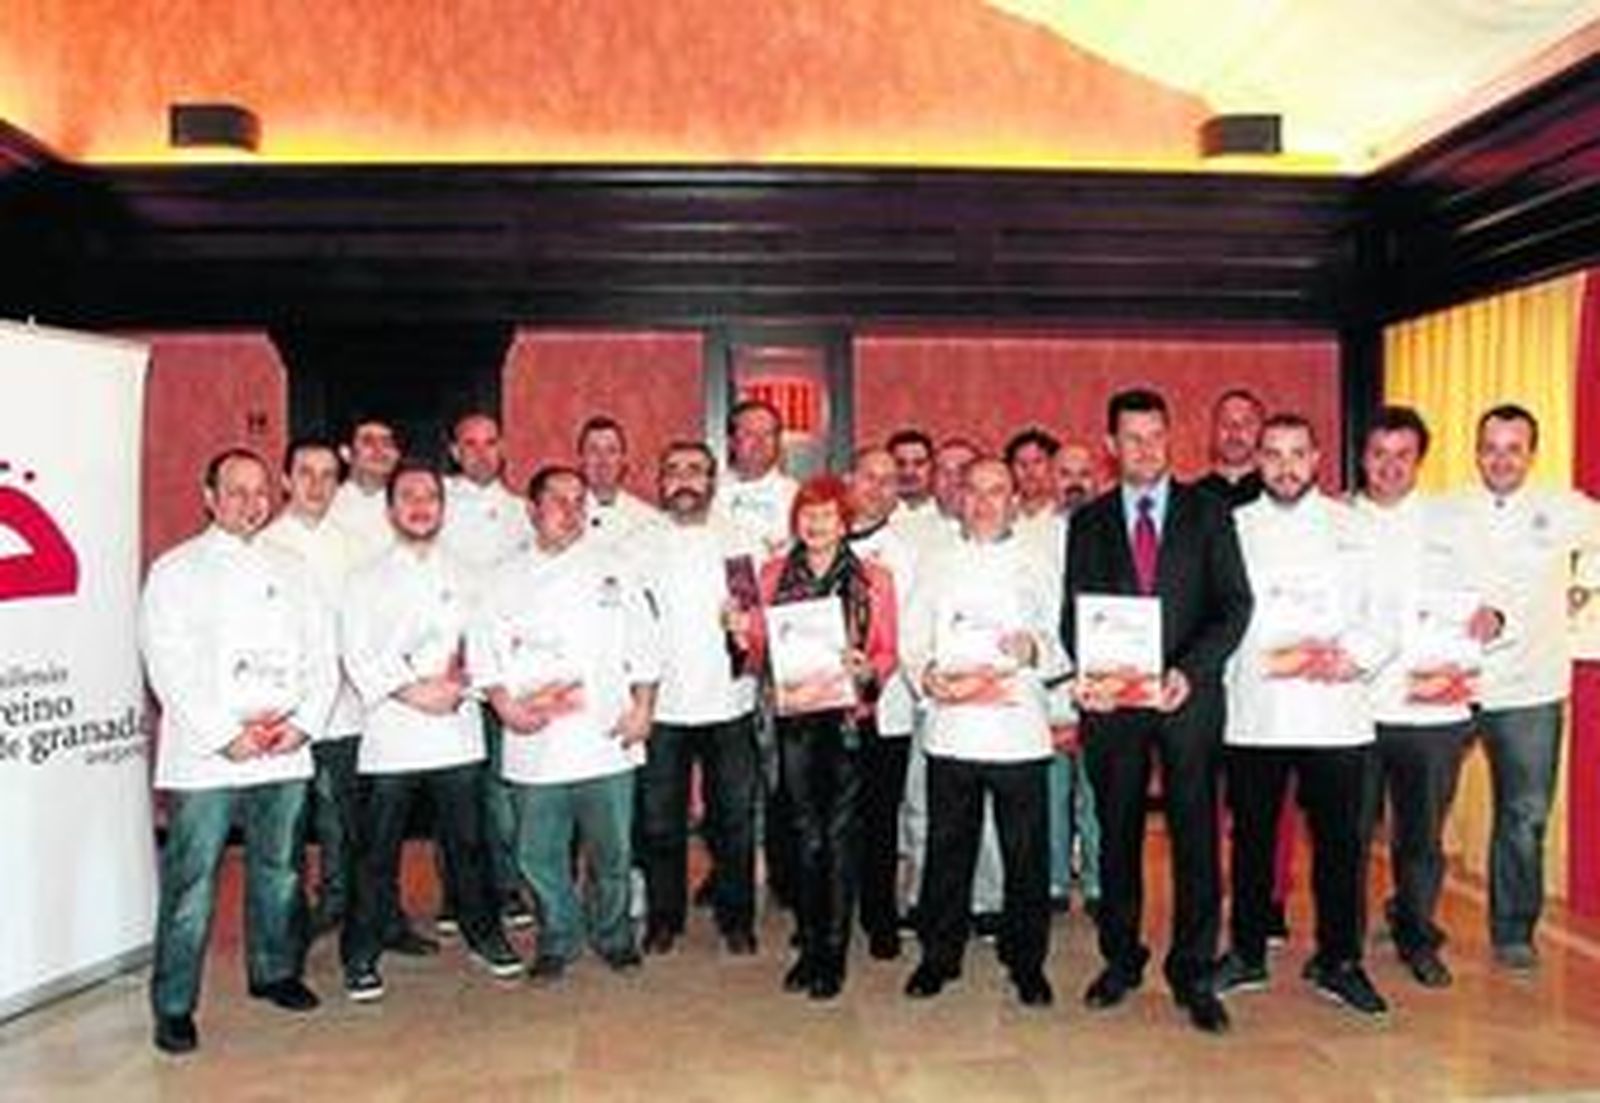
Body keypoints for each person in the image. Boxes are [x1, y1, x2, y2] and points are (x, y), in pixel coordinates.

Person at [1064, 387, 1252, 1035]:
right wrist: (1093, 675)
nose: (1146, 448)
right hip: (1115, 704)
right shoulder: (1087, 521)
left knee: (1196, 835)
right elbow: (1073, 613)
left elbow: (1234, 605)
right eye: (1132, 437)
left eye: (1156, 435)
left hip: (1187, 699)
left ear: (1170, 438)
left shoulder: (1208, 511)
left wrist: (1189, 671)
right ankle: (1121, 959)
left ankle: (1194, 969)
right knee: (1115, 833)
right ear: (1112, 446)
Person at [140, 448, 337, 1055]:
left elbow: (322, 658)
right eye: (236, 491)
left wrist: (301, 725)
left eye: (258, 493)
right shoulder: (176, 570)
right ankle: (174, 1005)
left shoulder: (296, 569)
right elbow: (165, 663)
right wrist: (229, 735)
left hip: (283, 748)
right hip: (208, 755)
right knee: (192, 880)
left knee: (278, 870)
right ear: (208, 495)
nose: (251, 503)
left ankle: (275, 970)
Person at [1211, 414, 1391, 1019]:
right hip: (1256, 713)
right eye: (1273, 454)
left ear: (1316, 458)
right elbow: (1218, 617)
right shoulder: (1230, 528)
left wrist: (1354, 658)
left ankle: (1340, 960)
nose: (1285, 466)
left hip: (1336, 712)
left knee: (1342, 845)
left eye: (1297, 454)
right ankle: (1246, 952)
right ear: (1257, 461)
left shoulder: (1354, 528)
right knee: (1253, 841)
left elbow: (1382, 614)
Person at [338, 459, 523, 1002]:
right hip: (390, 735)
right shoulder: (365, 578)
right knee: (376, 852)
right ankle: (361, 954)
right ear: (391, 509)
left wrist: (461, 688)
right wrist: (413, 691)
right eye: (409, 498)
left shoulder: (471, 575)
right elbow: (358, 651)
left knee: (469, 845)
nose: (421, 507)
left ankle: (483, 934)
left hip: (456, 731)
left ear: (443, 508)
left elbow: (488, 647)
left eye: (430, 498)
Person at [472, 465, 661, 983]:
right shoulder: (501, 578)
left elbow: (645, 644)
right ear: (532, 509)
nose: (571, 510)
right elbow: (481, 653)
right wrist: (503, 705)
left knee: (613, 851)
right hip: (535, 740)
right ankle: (558, 934)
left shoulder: (616, 566)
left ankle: (613, 933)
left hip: (607, 736)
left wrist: (644, 707)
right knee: (536, 853)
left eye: (579, 501)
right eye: (557, 500)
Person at [903, 458, 1064, 1008]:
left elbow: (1064, 640)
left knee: (1025, 858)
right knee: (948, 850)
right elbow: (914, 635)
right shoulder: (937, 560)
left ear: (1014, 499)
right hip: (953, 728)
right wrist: (924, 672)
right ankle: (938, 955)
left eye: (997, 491)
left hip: (1018, 731)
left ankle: (1027, 961)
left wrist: (1035, 649)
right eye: (974, 491)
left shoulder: (1037, 561)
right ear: (960, 497)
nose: (984, 502)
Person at [1352, 406, 1502, 988]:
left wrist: (1493, 615)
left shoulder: (1452, 523)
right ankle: (1343, 945)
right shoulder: (1337, 522)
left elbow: (1488, 598)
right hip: (1352, 711)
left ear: (1420, 459)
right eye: (1378, 454)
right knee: (1349, 835)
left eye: (1403, 455)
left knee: (1420, 838)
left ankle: (1417, 935)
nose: (1390, 467)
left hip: (1434, 711)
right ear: (1363, 457)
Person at [739, 474, 897, 998]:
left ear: (845, 522)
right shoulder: (769, 575)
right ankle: (808, 943)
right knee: (802, 836)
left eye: (827, 514)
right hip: (792, 722)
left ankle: (833, 953)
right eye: (807, 513)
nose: (815, 522)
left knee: (840, 838)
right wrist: (739, 632)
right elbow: (757, 653)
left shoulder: (874, 579)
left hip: (848, 723)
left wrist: (864, 667)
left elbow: (886, 655)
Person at [1460, 403, 1600, 970]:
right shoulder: (1449, 510)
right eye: (1491, 447)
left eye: (1513, 448)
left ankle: (1514, 929)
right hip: (1454, 680)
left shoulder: (1563, 508)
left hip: (1533, 688)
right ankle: (1409, 916)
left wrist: (1585, 599)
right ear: (1477, 452)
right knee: (1424, 807)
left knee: (1525, 813)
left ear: (1531, 454)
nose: (1501, 459)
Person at [635, 442, 763, 956]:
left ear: (713, 481)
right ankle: (665, 919)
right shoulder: (637, 545)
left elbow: (750, 618)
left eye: (696, 471)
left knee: (732, 817)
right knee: (660, 819)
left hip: (728, 701)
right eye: (674, 471)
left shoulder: (736, 540)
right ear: (660, 481)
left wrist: (747, 627)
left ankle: (737, 919)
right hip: (662, 705)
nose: (684, 481)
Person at [259, 438, 364, 936]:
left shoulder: (350, 543)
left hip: (347, 709)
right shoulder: (264, 546)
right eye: (306, 473)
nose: (317, 485)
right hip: (289, 713)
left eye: (328, 475)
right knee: (291, 830)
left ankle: (350, 913)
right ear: (285, 481)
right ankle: (289, 930)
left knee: (344, 824)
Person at [439, 412, 533, 931]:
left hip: (502, 668)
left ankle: (506, 888)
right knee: (454, 787)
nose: (479, 453)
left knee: (499, 791)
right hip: (447, 667)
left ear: (503, 449)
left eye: (489, 443)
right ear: (455, 451)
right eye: (468, 443)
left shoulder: (522, 513)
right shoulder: (436, 505)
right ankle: (455, 895)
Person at [845, 448, 920, 959]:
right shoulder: (814, 536)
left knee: (879, 817)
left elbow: (912, 630)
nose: (879, 488)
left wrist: (879, 668)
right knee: (825, 818)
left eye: (890, 481)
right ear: (849, 481)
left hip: (885, 704)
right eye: (869, 477)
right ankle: (824, 917)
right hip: (821, 707)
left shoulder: (908, 551)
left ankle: (879, 916)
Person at [577, 414, 661, 550]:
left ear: (623, 460)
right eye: (593, 450)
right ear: (581, 460)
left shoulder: (647, 520)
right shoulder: (564, 517)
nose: (603, 461)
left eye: (611, 451)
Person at [328, 416, 402, 563]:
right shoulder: (326, 505)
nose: (379, 450)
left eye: (387, 442)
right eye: (368, 441)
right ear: (346, 453)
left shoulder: (410, 505)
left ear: (397, 455)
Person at [1195, 389, 1266, 508]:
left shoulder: (1276, 497)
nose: (1235, 431)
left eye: (1246, 422)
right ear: (1213, 432)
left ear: (1262, 431)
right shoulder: (1192, 499)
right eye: (1225, 422)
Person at [887, 428, 937, 530]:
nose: (908, 472)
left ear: (932, 467)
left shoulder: (949, 517)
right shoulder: (875, 518)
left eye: (919, 463)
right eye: (900, 463)